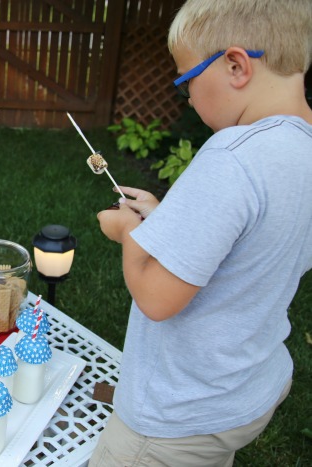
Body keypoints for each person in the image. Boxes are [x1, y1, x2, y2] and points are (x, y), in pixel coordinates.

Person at [90, 0, 312, 465]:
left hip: (175, 415)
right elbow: (253, 243)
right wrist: (170, 217)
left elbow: (156, 297)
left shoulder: (232, 155)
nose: (187, 97)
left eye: (186, 79)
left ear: (235, 65)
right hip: (245, 391)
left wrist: (130, 233)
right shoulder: (301, 150)